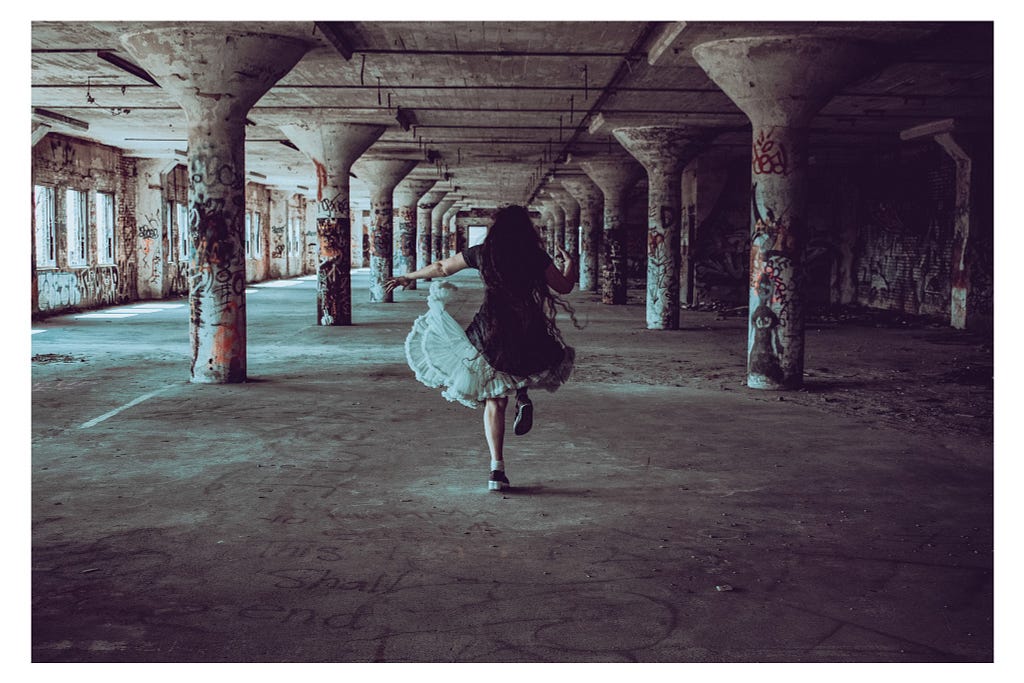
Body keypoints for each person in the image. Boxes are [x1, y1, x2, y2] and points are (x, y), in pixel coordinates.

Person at [384, 204, 578, 492]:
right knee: (526, 364)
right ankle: (522, 395)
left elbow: (442, 268)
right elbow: (564, 287)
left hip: (491, 330)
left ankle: (496, 470)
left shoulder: (483, 252)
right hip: (528, 328)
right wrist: (570, 262)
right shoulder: (534, 256)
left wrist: (408, 277)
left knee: (494, 397)